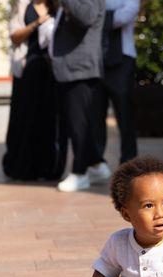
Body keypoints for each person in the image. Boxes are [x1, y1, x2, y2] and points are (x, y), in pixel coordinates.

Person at [2, 0, 65, 181]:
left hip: (51, 71)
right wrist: (36, 23)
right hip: (26, 70)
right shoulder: (23, 5)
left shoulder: (58, 5)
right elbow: (14, 36)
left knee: (48, 120)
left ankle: (48, 167)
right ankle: (21, 167)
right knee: (24, 119)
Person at [50, 0, 108, 192]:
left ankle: (80, 172)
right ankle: (97, 165)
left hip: (81, 68)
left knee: (78, 125)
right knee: (79, 122)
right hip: (71, 69)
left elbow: (86, 17)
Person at [93, 0, 139, 167]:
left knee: (125, 112)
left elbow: (127, 13)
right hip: (97, 58)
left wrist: (99, 17)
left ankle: (129, 158)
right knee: (96, 112)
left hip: (122, 59)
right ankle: (96, 160)